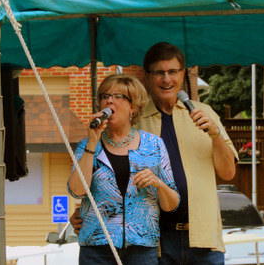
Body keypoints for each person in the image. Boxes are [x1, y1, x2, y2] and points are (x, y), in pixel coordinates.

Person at [70, 42, 238, 264]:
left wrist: (216, 135)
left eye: (172, 72)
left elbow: (228, 173)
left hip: (203, 237)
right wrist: (87, 211)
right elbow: (106, 172)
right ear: (147, 77)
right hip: (157, 240)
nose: (166, 79)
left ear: (182, 75)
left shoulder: (205, 114)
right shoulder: (132, 120)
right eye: (159, 73)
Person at [67, 74, 180, 265]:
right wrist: (92, 143)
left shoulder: (153, 145)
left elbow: (172, 204)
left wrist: (158, 183)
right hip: (96, 247)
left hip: (141, 247)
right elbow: (76, 191)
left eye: (118, 96)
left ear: (133, 107)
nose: (109, 100)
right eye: (104, 95)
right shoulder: (87, 144)